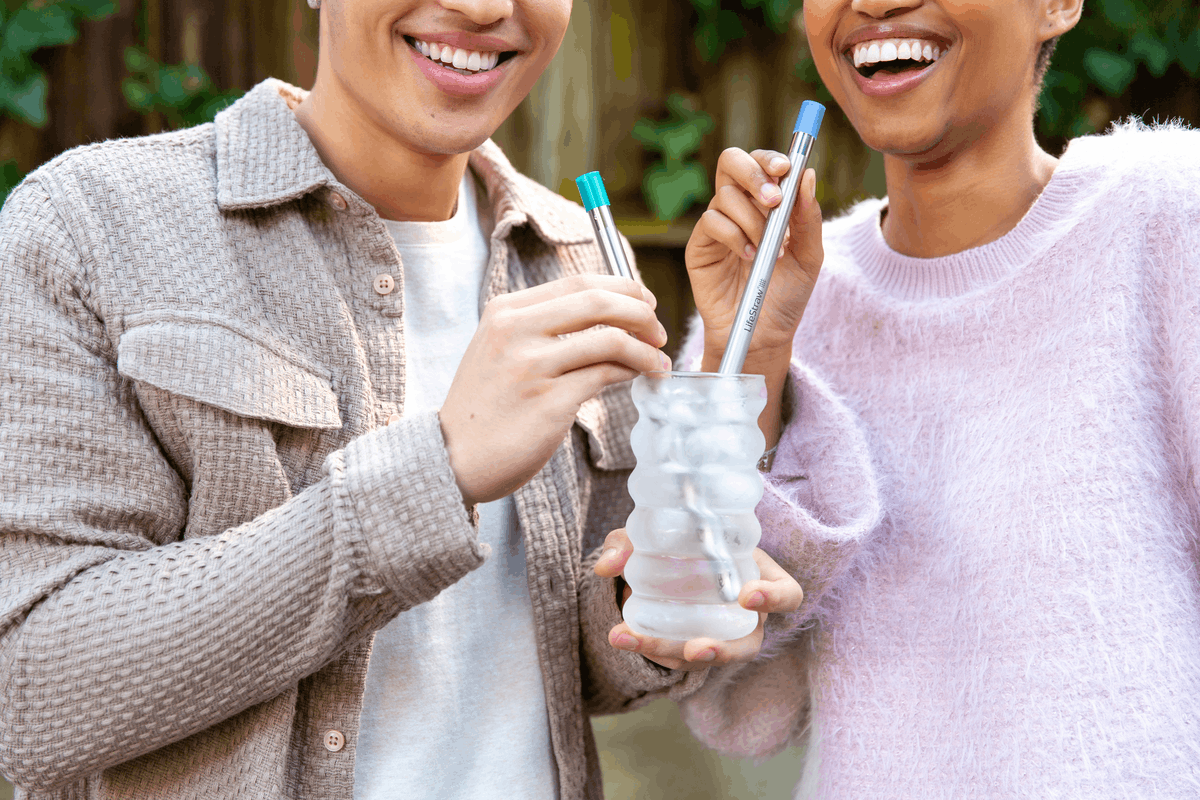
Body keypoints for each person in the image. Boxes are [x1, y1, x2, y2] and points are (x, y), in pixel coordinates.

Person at [0, 1, 826, 798]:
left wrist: (648, 597)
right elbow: (30, 698)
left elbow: (577, 660)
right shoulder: (90, 230)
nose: (479, 6)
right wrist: (440, 471)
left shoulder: (578, 257)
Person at [656, 0, 1200, 795]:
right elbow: (732, 702)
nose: (873, 4)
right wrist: (758, 357)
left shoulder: (1167, 216)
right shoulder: (782, 303)